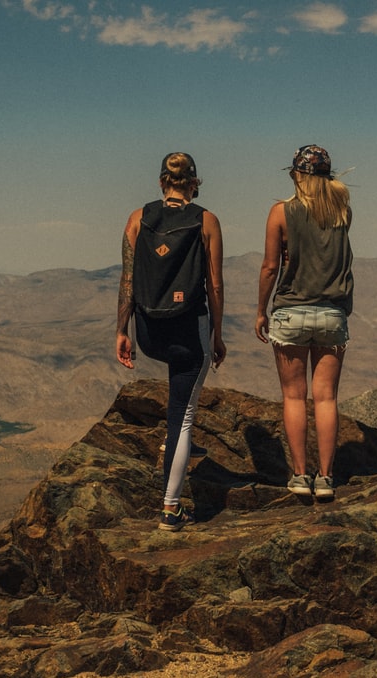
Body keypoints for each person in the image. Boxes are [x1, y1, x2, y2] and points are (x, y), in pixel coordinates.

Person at [116, 152, 226, 531]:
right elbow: (214, 284)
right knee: (183, 414)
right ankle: (171, 508)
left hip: (149, 333)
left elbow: (128, 280)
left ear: (162, 182)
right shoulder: (206, 221)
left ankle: (179, 445)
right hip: (187, 330)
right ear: (194, 183)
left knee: (178, 410)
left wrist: (122, 330)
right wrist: (217, 333)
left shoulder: (137, 218)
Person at [255, 144, 353, 500]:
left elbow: (270, 267)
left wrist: (261, 310)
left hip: (291, 312)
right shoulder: (342, 212)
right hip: (332, 314)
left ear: (297, 174)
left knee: (294, 397)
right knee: (326, 399)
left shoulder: (280, 213)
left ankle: (299, 476)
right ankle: (326, 479)